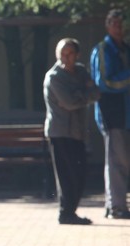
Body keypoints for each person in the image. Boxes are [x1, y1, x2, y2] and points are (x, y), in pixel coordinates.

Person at [43, 38, 101, 225]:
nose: (65, 58)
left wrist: (80, 95)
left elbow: (96, 93)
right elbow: (68, 102)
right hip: (60, 132)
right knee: (67, 175)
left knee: (80, 173)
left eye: (69, 53)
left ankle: (71, 212)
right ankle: (65, 213)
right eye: (62, 53)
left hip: (77, 132)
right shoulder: (54, 77)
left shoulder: (81, 71)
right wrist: (83, 94)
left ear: (77, 55)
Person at [90, 8, 130, 220]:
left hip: (126, 115)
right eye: (114, 23)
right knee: (117, 162)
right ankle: (116, 207)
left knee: (124, 162)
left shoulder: (126, 49)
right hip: (113, 114)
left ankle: (116, 204)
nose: (118, 27)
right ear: (107, 26)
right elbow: (104, 83)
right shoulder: (103, 50)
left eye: (121, 23)